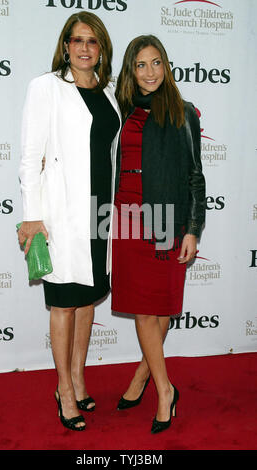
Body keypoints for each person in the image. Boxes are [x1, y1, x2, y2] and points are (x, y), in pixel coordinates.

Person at [18, 12, 121, 431]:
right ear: (65, 46)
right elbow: (29, 157)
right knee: (64, 302)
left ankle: (79, 377)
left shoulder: (109, 92)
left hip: (100, 214)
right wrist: (32, 218)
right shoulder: (45, 87)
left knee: (87, 299)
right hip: (61, 213)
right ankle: (63, 388)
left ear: (101, 50)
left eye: (92, 42)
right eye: (76, 40)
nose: (84, 48)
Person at [111, 35, 205, 434]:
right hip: (125, 218)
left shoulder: (183, 113)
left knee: (158, 311)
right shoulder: (124, 112)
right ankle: (154, 382)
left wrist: (194, 229)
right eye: (141, 65)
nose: (150, 73)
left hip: (166, 219)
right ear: (131, 71)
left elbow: (195, 175)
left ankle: (151, 384)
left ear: (166, 66)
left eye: (156, 63)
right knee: (145, 309)